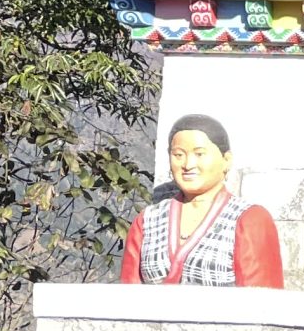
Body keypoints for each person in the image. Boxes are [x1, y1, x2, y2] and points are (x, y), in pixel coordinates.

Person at [118, 113, 284, 287]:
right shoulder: (148, 220)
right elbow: (129, 294)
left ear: (226, 160)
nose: (188, 164)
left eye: (199, 154)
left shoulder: (249, 219)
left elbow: (261, 302)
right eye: (179, 155)